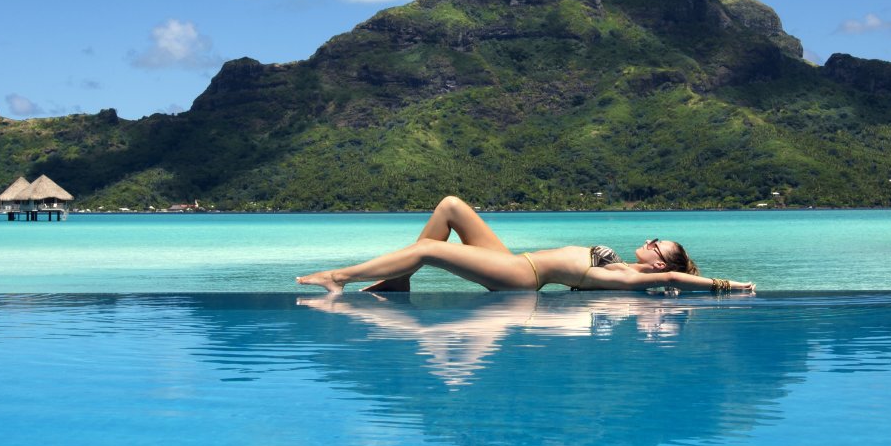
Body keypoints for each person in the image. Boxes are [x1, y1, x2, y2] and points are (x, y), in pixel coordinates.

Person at [295, 195, 754, 295]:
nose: (649, 241)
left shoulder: (632, 277)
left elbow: (680, 278)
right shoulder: (629, 270)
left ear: (659, 263)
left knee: (430, 251)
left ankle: (340, 276)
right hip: (516, 262)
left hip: (522, 277)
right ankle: (396, 283)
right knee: (451, 206)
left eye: (657, 243)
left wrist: (732, 285)